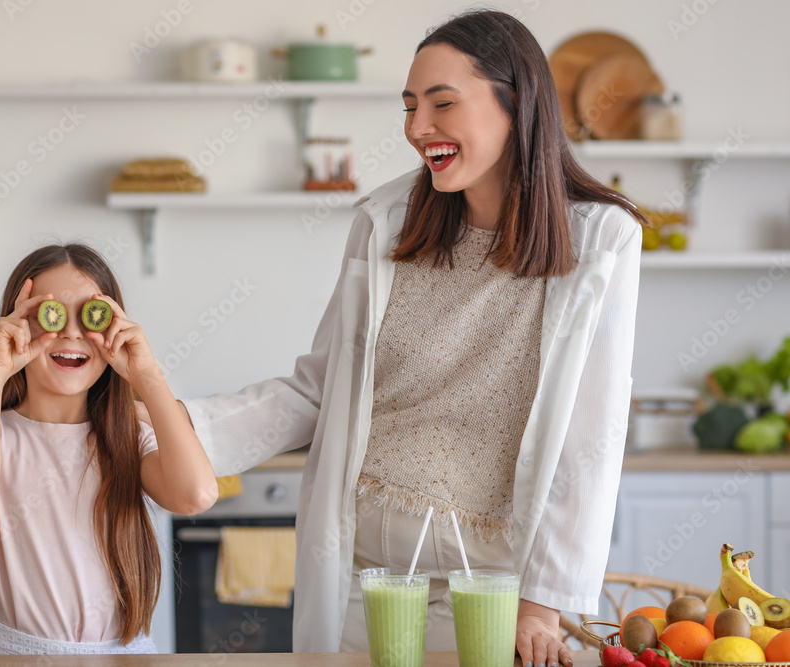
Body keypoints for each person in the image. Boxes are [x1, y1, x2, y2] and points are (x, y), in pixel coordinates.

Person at [152, 9, 646, 666]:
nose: (418, 128)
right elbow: (316, 389)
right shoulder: (386, 226)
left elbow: (594, 432)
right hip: (373, 581)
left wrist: (544, 599)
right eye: (410, 106)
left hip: (494, 592)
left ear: (516, 104)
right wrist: (171, 424)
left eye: (443, 103)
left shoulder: (601, 240)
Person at [0, 243, 218, 655]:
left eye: (90, 315)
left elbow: (196, 495)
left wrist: (147, 375)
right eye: (50, 315)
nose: (71, 333)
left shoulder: (128, 437)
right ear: (16, 325)